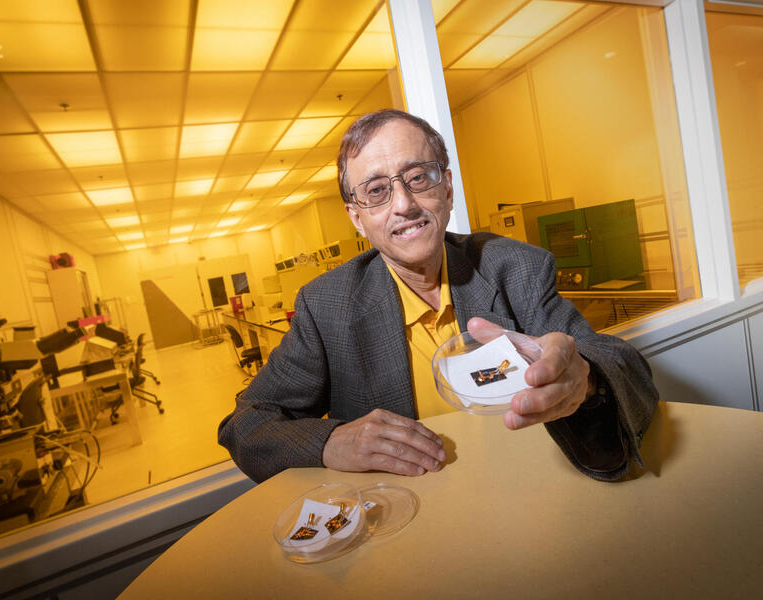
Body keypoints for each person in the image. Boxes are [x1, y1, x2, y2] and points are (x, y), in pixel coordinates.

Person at [218, 109, 658, 484]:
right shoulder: (325, 306)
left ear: (446, 188)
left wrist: (586, 377)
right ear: (356, 217)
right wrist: (332, 440)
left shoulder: (515, 267)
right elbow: (247, 422)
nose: (404, 204)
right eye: (376, 191)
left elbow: (623, 363)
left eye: (418, 177)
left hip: (532, 490)